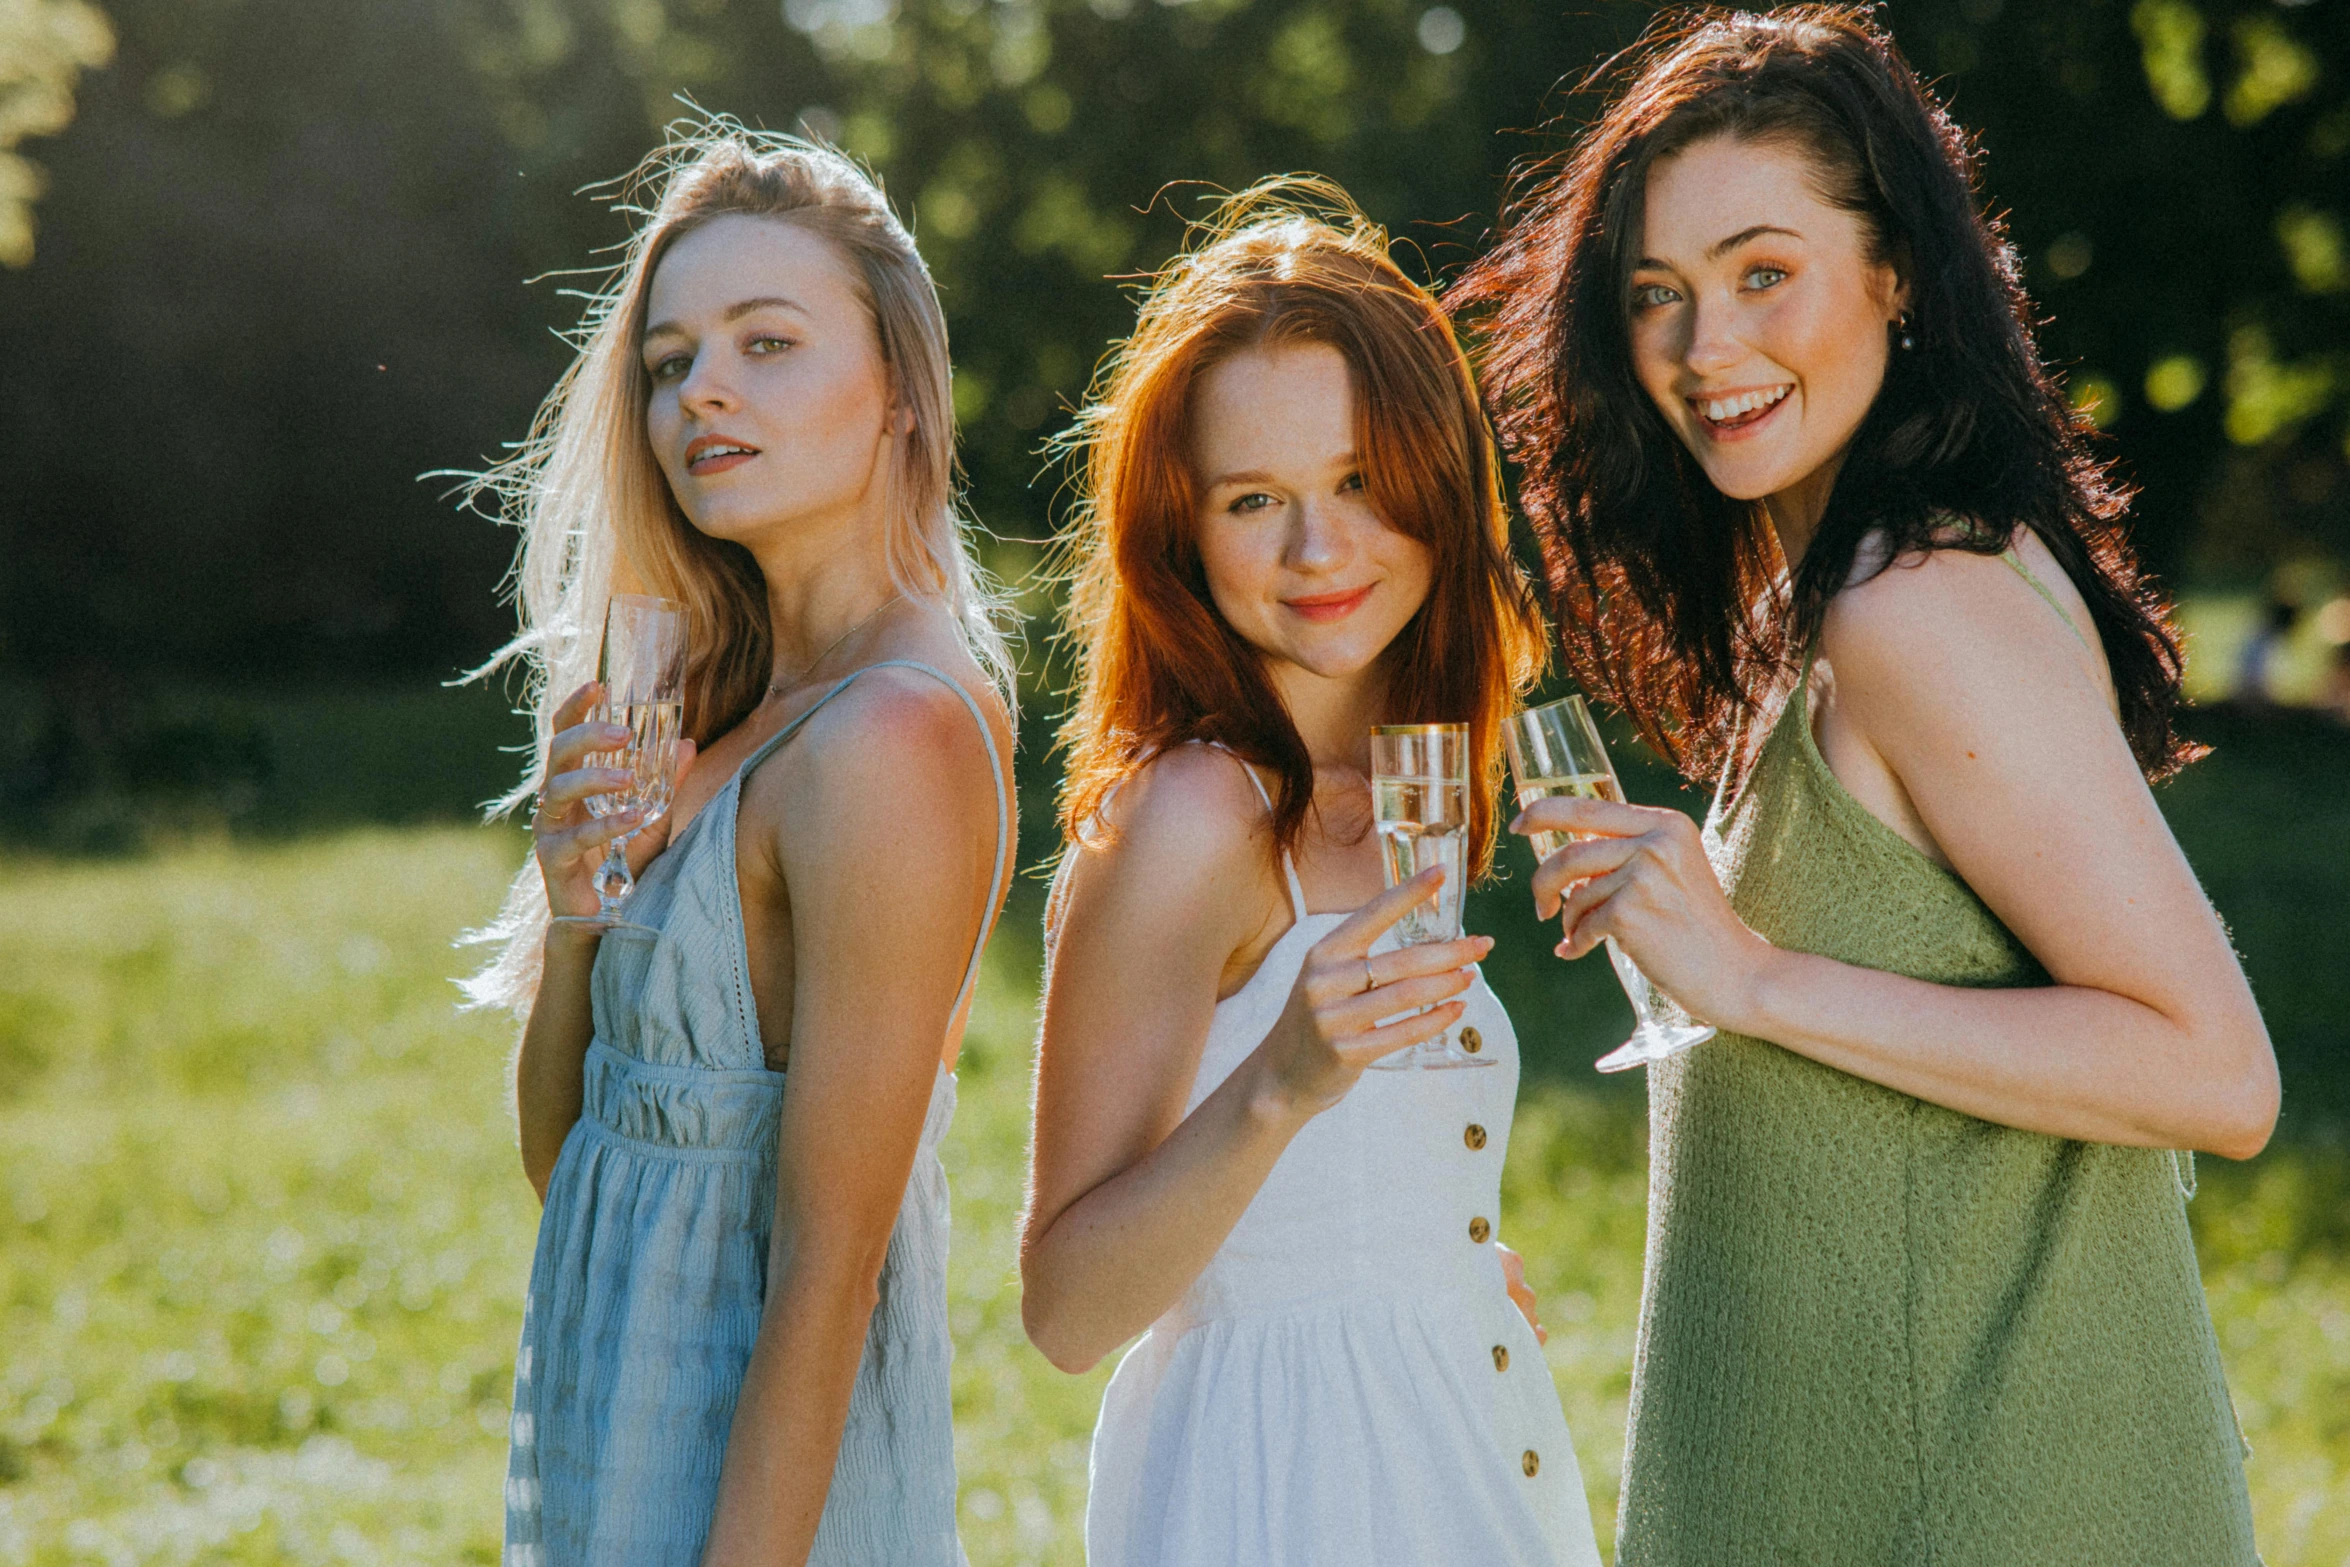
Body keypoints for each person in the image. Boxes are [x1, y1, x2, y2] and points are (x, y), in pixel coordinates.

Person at [1454, 8, 2278, 1564]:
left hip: (1979, 1496)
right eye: (1659, 296)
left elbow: (2214, 1075)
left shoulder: (1917, 608)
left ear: (1894, 270)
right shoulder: (1831, 596)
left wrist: (1750, 975)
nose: (1708, 351)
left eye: (1764, 272)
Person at [1019, 180, 1603, 1567]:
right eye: (1253, 499)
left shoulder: (1409, 786)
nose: (1316, 547)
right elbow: (1065, 1307)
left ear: (1434, 485)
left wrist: (1424, 1265)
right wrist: (1281, 1081)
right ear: (1184, 533)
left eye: (1356, 481)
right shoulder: (1191, 818)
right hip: (1285, 1492)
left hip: (1459, 1448)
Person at [462, 125, 1014, 1567]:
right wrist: (576, 904)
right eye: (669, 360)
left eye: (767, 343)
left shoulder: (894, 739)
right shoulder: (721, 711)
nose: (701, 386)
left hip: (755, 1515)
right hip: (617, 1446)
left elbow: (829, 1276)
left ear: (898, 387)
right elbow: (568, 1161)